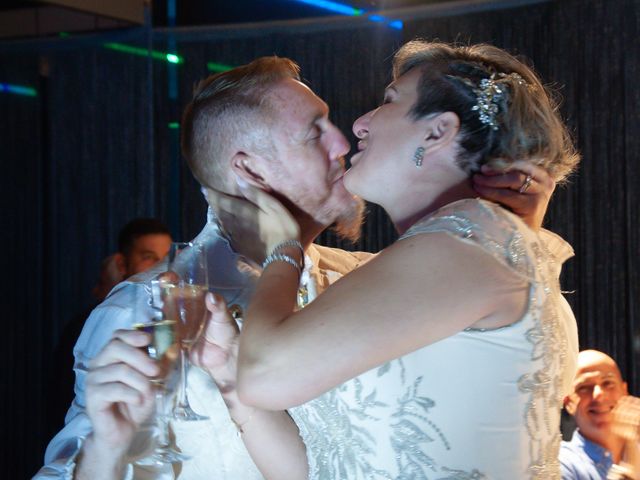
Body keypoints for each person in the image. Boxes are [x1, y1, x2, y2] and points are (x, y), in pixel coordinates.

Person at [36, 56, 558, 479]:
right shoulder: (147, 306)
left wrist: (505, 224)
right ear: (251, 170)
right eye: (315, 134)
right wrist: (102, 455)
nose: (343, 142)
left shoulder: (372, 276)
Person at [216, 40, 583, 479]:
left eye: (388, 101)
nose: (360, 124)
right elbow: (325, 466)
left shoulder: (474, 238)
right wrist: (225, 370)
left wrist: (284, 243)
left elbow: (266, 376)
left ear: (436, 131)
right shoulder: (470, 252)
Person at [47, 218, 173, 440]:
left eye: (166, 260)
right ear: (122, 264)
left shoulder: (169, 321)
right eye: (149, 258)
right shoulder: (89, 323)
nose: (160, 269)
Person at [561, 349, 640, 479]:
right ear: (568, 402)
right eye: (584, 387)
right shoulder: (562, 465)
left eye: (608, 383)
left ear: (624, 391)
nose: (599, 395)